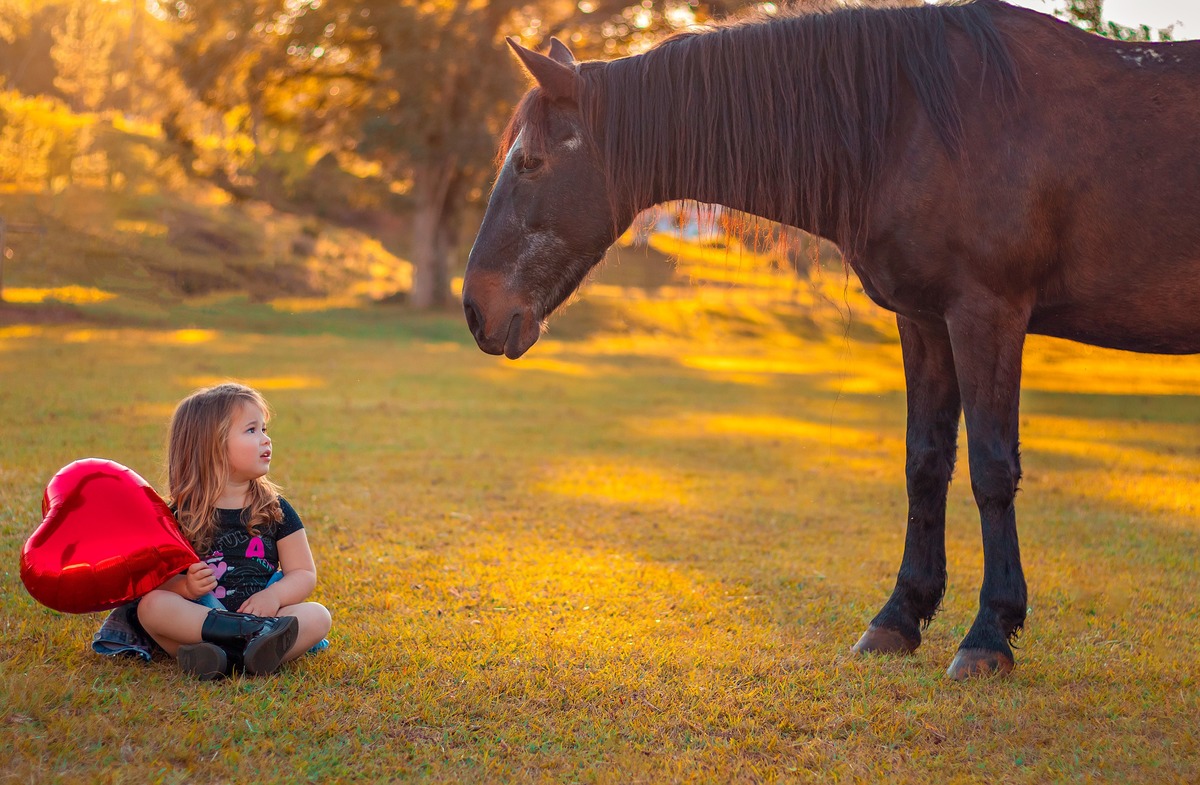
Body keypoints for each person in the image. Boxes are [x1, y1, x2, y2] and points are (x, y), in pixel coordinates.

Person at [134, 382, 332, 680]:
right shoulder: (178, 516)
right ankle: (247, 654)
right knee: (151, 607)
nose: (266, 439)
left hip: (265, 618)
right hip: (203, 616)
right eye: (252, 430)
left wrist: (275, 597)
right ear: (211, 445)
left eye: (264, 429)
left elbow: (303, 573)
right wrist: (185, 588)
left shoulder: (274, 509)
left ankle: (224, 657)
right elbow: (155, 583)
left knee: (317, 615)